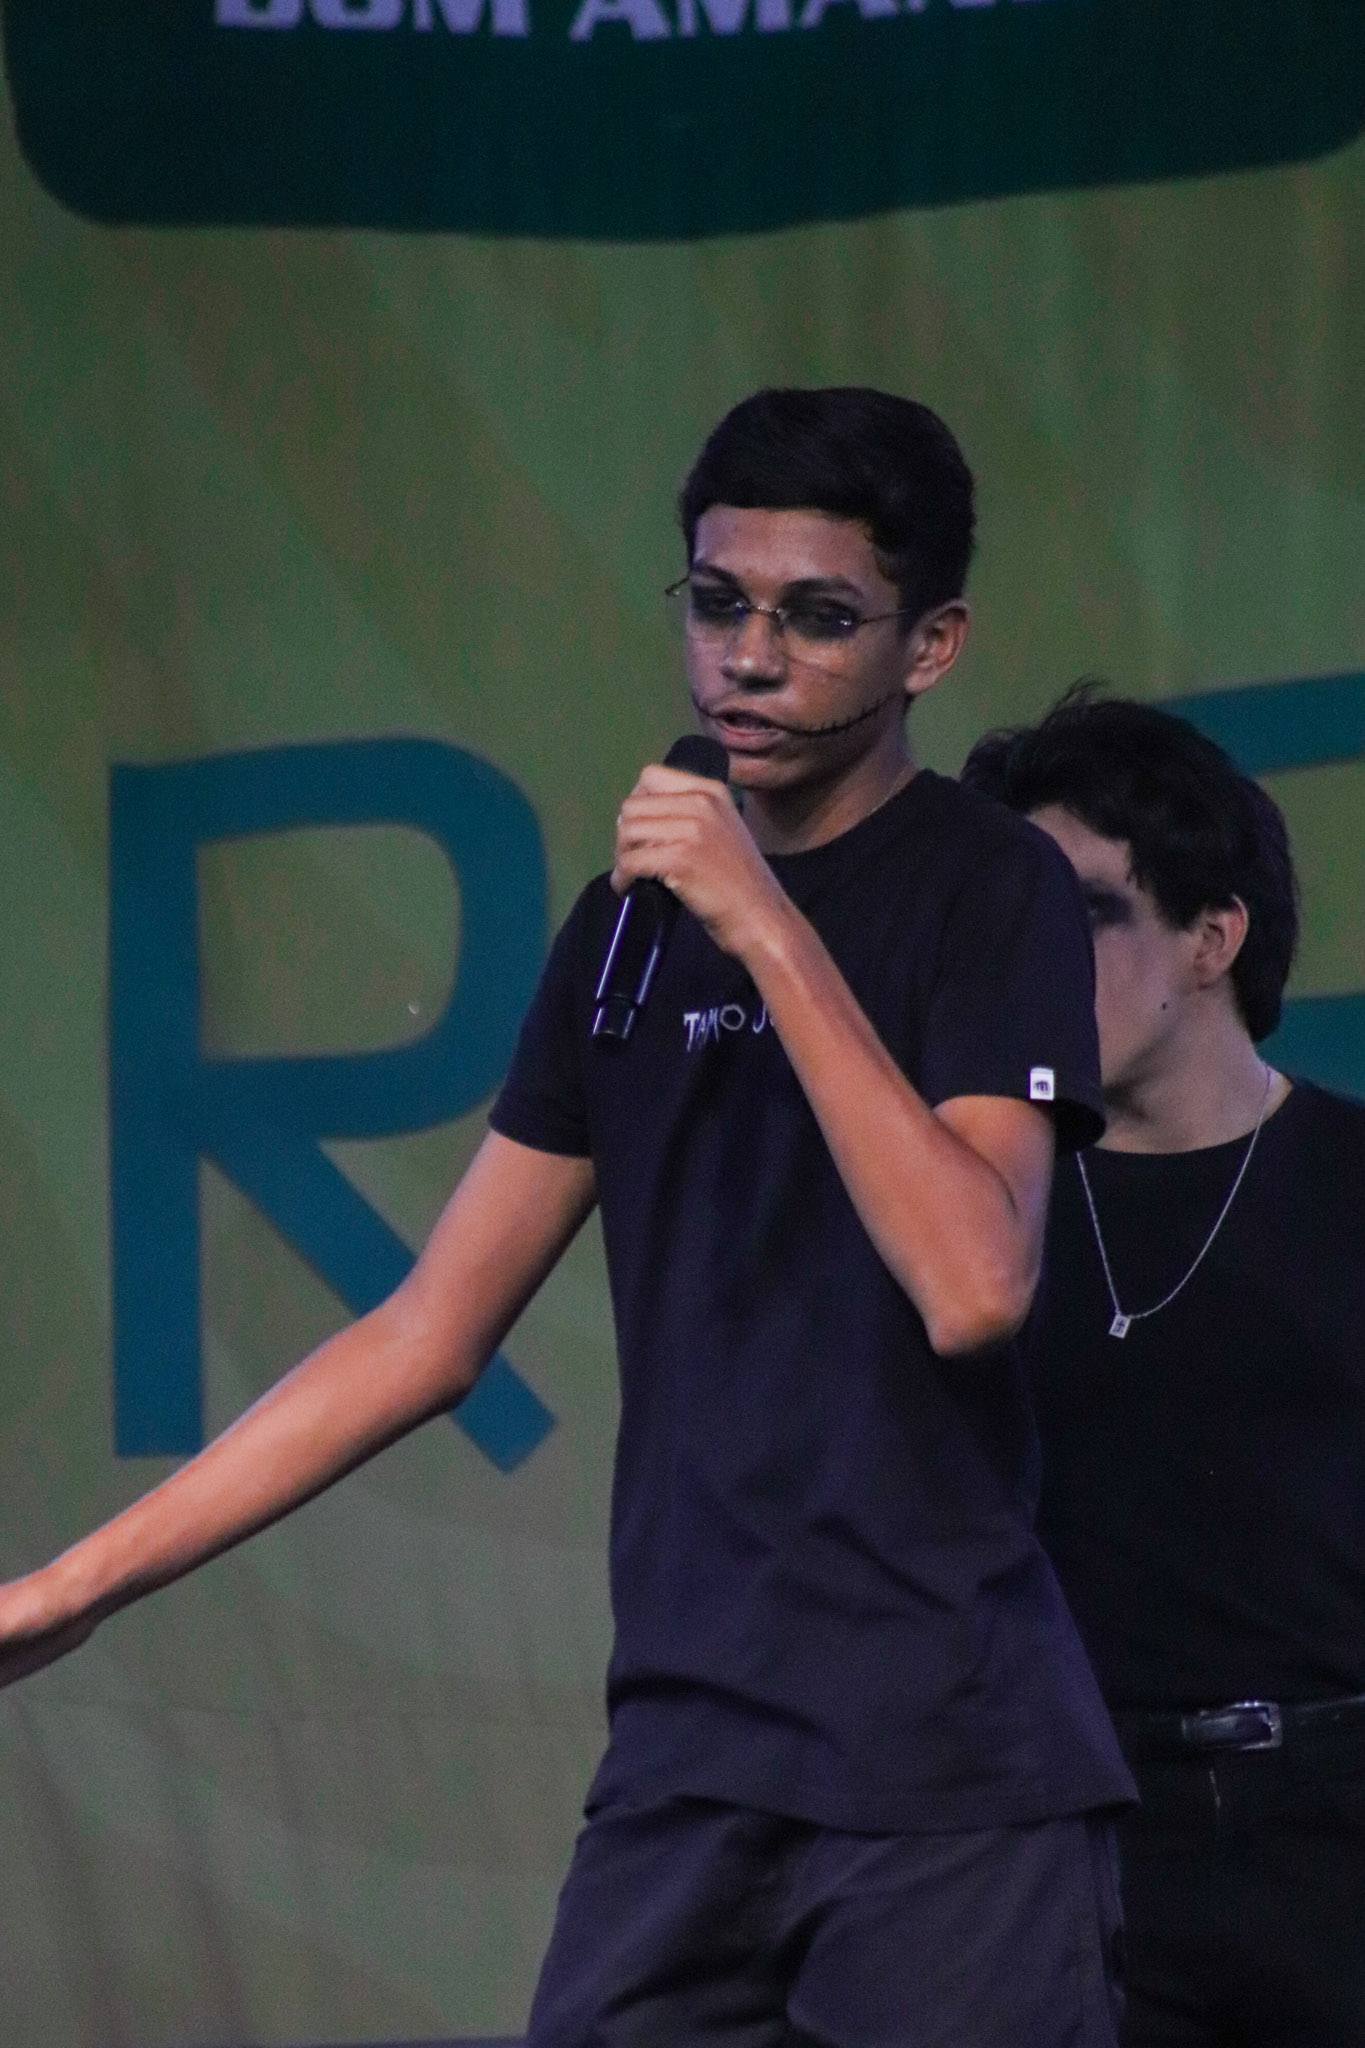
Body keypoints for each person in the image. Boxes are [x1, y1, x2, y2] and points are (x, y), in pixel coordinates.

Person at [0, 389, 1131, 2045]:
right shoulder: (623, 928)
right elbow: (426, 1333)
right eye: (718, 602)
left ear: (930, 645)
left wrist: (764, 926)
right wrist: (72, 1588)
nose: (749, 658)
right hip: (688, 1750)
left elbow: (973, 1283)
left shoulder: (982, 882)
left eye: (818, 618)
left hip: (942, 1760)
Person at [964, 687, 1365, 2048]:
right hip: (1083, 1844)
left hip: (1338, 1823)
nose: (1031, 958)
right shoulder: (978, 1216)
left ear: (1211, 936)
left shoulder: (1349, 1179)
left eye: (1080, 913)